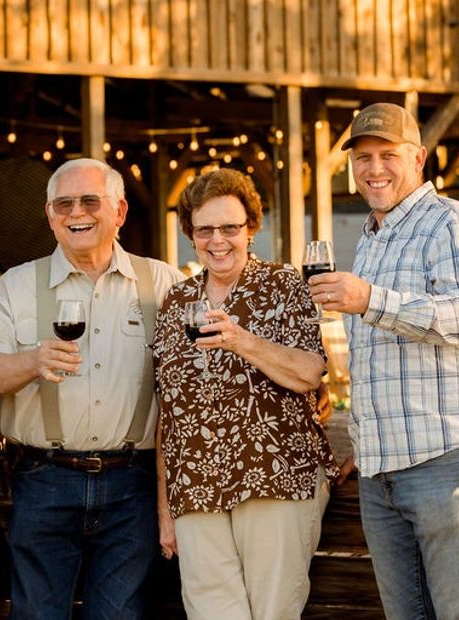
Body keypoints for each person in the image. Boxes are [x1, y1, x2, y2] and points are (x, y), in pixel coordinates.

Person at [308, 103, 459, 619]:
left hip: (448, 458)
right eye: (363, 158)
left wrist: (369, 300)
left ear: (419, 157)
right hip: (382, 469)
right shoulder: (372, 240)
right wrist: (364, 440)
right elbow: (381, 356)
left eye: (387, 155)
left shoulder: (450, 223)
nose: (374, 168)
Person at [0, 158, 183, 619]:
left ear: (119, 212)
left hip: (134, 484)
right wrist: (32, 360)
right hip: (43, 479)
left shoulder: (161, 283)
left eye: (89, 201)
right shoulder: (19, 284)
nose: (75, 212)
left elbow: (199, 374)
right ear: (49, 215)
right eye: (63, 204)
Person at [153, 168, 335, 619]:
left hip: (275, 478)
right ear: (190, 234)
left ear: (251, 228)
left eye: (230, 227)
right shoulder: (176, 303)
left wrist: (242, 340)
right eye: (205, 229)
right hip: (194, 486)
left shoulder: (283, 285)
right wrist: (166, 506)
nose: (218, 239)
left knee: (273, 613)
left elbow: (310, 372)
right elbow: (168, 413)